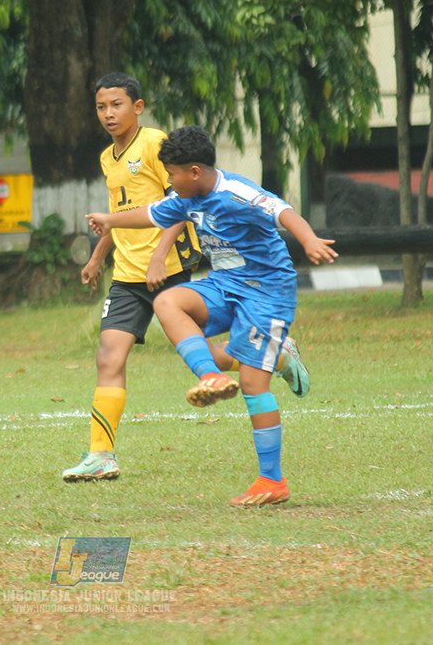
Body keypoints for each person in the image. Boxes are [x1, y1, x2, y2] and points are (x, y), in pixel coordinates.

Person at [62, 73, 310, 483]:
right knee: (108, 355)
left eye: (116, 105)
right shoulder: (109, 158)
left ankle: (277, 355)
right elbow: (127, 213)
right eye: (101, 107)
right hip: (127, 275)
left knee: (216, 356)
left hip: (170, 270)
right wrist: (98, 255)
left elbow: (181, 204)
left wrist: (160, 255)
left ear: (137, 107)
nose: (108, 114)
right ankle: (101, 455)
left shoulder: (157, 146)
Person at [86, 125, 338, 506]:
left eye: (171, 174)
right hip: (224, 284)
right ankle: (210, 375)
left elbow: (283, 211)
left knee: (254, 384)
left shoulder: (235, 192)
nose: (168, 181)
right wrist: (109, 220)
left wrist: (309, 240)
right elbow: (150, 214)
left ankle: (272, 482)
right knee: (168, 303)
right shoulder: (185, 198)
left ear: (194, 172)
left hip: (266, 291)